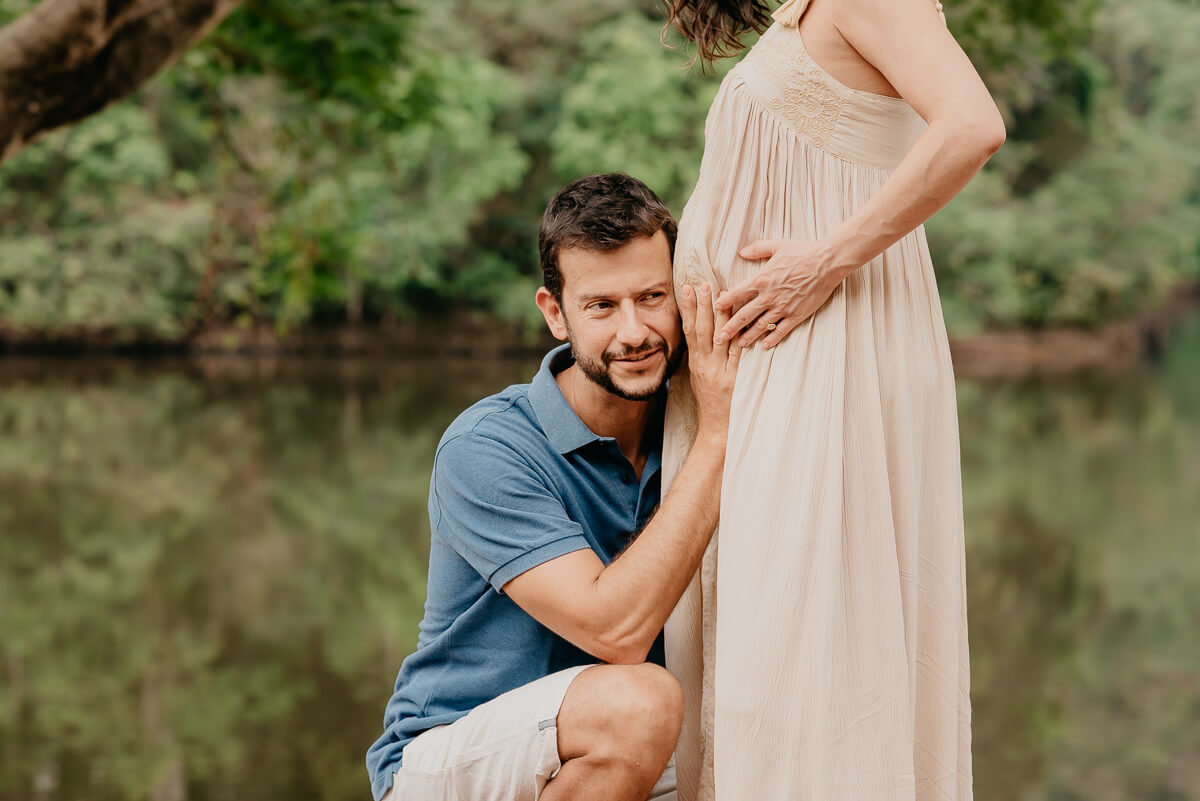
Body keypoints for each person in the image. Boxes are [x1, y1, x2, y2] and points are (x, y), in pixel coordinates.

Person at [657, 0, 1006, 798]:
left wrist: (823, 262)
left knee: (797, 656)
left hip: (827, 360)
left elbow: (971, 125)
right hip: (784, 361)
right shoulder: (806, 10)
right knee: (779, 656)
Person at [365, 173, 742, 801]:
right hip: (452, 751)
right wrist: (719, 437)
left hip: (616, 758)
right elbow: (614, 631)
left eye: (652, 297)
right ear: (555, 314)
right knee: (640, 703)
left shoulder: (684, 430)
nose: (634, 333)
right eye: (601, 306)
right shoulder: (486, 446)